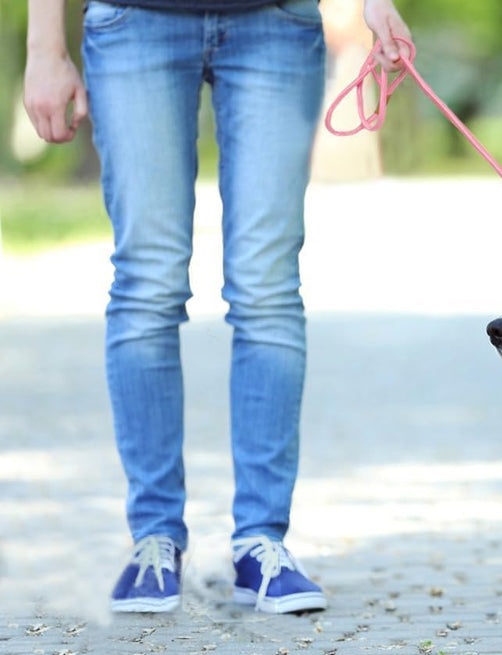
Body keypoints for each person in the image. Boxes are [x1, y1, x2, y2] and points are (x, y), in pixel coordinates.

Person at [23, 0, 411, 614]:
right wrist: (45, 48)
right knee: (147, 283)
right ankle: (154, 541)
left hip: (276, 24)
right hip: (132, 21)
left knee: (267, 287)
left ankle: (261, 543)